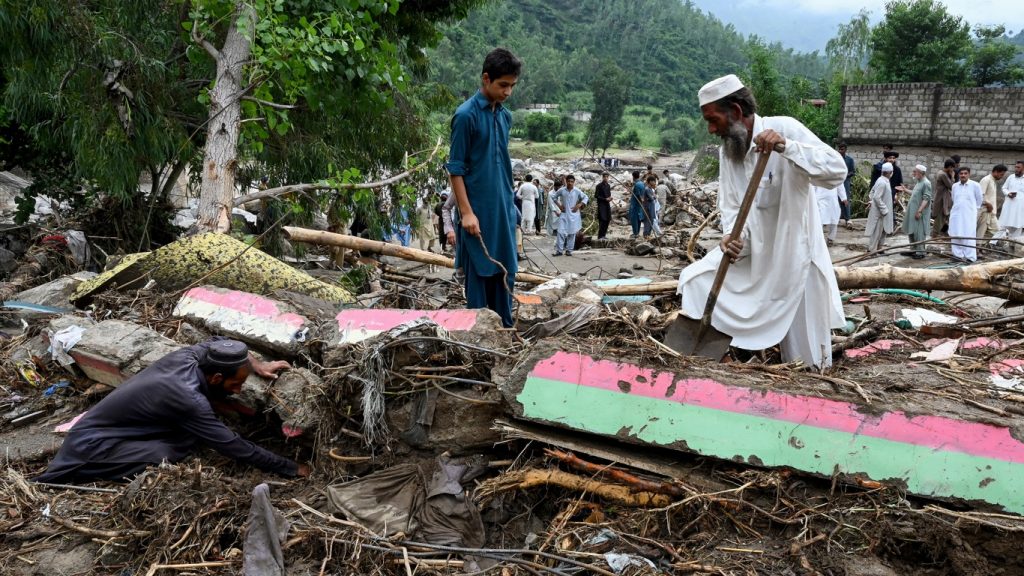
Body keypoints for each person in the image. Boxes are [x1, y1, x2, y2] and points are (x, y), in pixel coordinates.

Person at [677, 74, 846, 369]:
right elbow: (730, 204)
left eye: (713, 119)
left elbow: (836, 171)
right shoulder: (728, 151)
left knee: (808, 360)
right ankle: (722, 359)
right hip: (753, 257)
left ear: (737, 112)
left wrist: (787, 147)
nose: (711, 128)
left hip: (795, 258)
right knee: (694, 280)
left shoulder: (785, 128)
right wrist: (731, 236)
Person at [36, 340, 307, 484]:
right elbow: (234, 446)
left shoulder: (191, 356)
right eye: (235, 384)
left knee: (187, 435)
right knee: (170, 452)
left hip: (109, 429)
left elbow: (223, 341)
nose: (238, 390)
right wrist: (290, 467)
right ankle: (91, 472)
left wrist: (258, 365)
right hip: (91, 447)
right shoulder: (188, 399)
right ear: (215, 378)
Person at [446, 48, 521, 328]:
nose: (508, 92)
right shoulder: (466, 116)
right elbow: (456, 169)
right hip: (476, 214)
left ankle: (505, 331)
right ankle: (480, 341)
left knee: (505, 273)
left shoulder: (505, 117)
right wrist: (466, 213)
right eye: (503, 85)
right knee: (480, 277)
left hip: (503, 211)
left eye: (512, 86)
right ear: (486, 79)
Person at [950, 167, 983, 262]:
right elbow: (953, 199)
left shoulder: (975, 185)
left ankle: (970, 257)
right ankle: (957, 256)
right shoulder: (955, 186)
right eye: (961, 173)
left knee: (969, 234)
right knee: (956, 234)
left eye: (965, 173)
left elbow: (979, 200)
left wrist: (973, 210)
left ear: (969, 174)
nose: (963, 175)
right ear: (958, 175)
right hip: (956, 214)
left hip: (969, 214)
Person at [552, 174, 588, 256]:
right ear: (566, 181)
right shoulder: (562, 190)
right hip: (564, 214)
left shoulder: (577, 191)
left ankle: (569, 250)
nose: (570, 183)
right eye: (568, 181)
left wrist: (579, 205)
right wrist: (559, 206)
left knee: (572, 233)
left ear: (574, 182)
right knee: (560, 232)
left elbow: (585, 197)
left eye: (572, 181)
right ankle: (559, 251)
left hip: (573, 215)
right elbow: (554, 197)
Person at [902, 164, 932, 259]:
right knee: (912, 231)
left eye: (915, 172)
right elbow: (915, 193)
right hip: (912, 211)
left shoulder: (926, 183)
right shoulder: (919, 182)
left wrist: (919, 211)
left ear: (921, 173)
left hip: (920, 213)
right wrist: (905, 190)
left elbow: (926, 198)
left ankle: (920, 252)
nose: (913, 173)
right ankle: (913, 250)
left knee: (919, 232)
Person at [866, 163, 894, 252]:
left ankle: (879, 248)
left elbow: (872, 192)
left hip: (883, 211)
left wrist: (871, 201)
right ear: (889, 172)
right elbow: (876, 197)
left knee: (883, 230)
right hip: (880, 212)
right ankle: (872, 250)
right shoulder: (882, 182)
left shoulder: (883, 180)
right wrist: (884, 209)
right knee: (876, 231)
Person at [997, 161, 1024, 254]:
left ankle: (1013, 246)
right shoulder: (1011, 177)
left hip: (1020, 207)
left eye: (1018, 167)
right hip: (1009, 205)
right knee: (1004, 224)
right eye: (1015, 167)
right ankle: (995, 243)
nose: (1016, 169)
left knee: (1018, 225)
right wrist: (1008, 193)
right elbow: (1004, 188)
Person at [977, 164, 1007, 245]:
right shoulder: (986, 180)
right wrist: (988, 204)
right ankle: (978, 248)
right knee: (981, 230)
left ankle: (983, 245)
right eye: (1001, 174)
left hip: (991, 212)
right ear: (996, 172)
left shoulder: (993, 181)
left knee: (998, 231)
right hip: (985, 210)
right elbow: (980, 195)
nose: (1002, 177)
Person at [931, 159, 956, 247]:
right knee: (940, 218)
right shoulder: (942, 175)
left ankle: (939, 234)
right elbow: (951, 186)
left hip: (942, 198)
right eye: (952, 168)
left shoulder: (941, 173)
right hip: (941, 199)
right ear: (949, 167)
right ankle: (934, 236)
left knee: (944, 217)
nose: (953, 170)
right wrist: (953, 176)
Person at [837, 142, 855, 227]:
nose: (840, 151)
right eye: (839, 149)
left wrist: (845, 175)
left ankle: (848, 219)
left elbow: (852, 172)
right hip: (836, 181)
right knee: (836, 199)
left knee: (845, 199)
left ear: (845, 150)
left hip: (845, 182)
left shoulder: (849, 160)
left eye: (842, 149)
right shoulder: (835, 159)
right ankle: (836, 218)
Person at [595, 172, 613, 239]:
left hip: (607, 205)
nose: (606, 178)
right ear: (602, 177)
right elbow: (596, 196)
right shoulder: (599, 186)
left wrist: (610, 198)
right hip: (601, 205)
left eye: (607, 177)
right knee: (602, 220)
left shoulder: (608, 186)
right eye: (604, 177)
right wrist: (605, 199)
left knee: (607, 219)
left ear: (608, 177)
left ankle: (604, 235)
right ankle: (600, 236)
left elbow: (609, 195)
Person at [628, 171, 645, 238]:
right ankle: (637, 232)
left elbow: (638, 195)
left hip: (635, 204)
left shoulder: (637, 185)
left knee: (634, 219)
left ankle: (635, 233)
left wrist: (641, 200)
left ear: (633, 177)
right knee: (638, 218)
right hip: (639, 204)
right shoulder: (642, 183)